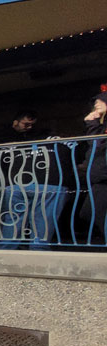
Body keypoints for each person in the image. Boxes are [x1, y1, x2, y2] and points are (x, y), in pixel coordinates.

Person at [0, 109, 67, 250]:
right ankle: (37, 252)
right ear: (15, 122)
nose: (28, 127)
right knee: (43, 221)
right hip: (48, 183)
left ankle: (6, 251)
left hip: (18, 183)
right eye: (26, 124)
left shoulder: (20, 142)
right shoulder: (59, 142)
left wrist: (7, 180)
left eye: (31, 125)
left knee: (13, 219)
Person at [80, 88, 107, 243]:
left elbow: (97, 144)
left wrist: (91, 123)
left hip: (104, 177)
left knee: (94, 211)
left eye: (101, 100)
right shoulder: (100, 125)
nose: (96, 103)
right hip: (98, 177)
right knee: (88, 212)